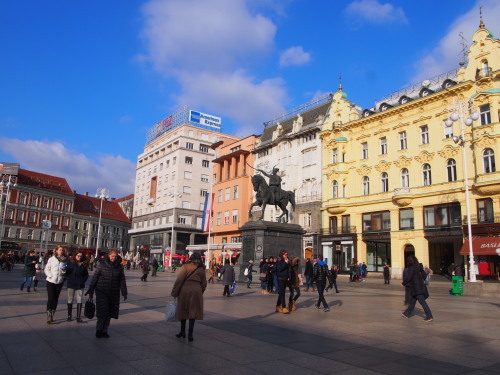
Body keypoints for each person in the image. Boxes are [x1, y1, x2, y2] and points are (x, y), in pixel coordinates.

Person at [86, 249, 128, 338]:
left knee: (109, 312)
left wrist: (124, 291)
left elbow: (122, 280)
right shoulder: (101, 264)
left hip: (114, 292)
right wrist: (91, 289)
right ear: (108, 255)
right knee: (102, 311)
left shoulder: (119, 266)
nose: (114, 258)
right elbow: (95, 277)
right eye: (112, 256)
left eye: (115, 256)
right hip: (102, 291)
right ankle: (99, 330)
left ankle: (105, 330)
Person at [171, 252, 207, 342]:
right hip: (196, 290)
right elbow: (204, 283)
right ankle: (190, 334)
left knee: (183, 310)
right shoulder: (201, 269)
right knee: (193, 312)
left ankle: (182, 332)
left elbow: (179, 280)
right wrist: (199, 291)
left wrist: (174, 293)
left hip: (185, 290)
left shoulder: (185, 267)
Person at [401, 255, 433, 322]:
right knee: (412, 302)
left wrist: (403, 283)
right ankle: (407, 313)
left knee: (423, 302)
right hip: (420, 287)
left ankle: (429, 316)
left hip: (416, 288)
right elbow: (424, 276)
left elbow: (409, 278)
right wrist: (420, 281)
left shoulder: (412, 268)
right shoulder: (419, 267)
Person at [44, 246, 68, 323]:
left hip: (59, 281)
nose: (61, 251)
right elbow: (46, 269)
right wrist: (50, 275)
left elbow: (64, 271)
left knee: (56, 298)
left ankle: (52, 314)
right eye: (60, 250)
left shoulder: (65, 260)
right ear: (56, 251)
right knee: (50, 297)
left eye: (62, 250)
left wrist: (64, 271)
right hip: (50, 281)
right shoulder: (51, 259)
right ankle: (48, 314)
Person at [65, 251, 89, 323]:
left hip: (80, 285)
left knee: (79, 300)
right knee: (70, 299)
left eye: (80, 256)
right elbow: (66, 272)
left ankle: (78, 317)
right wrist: (67, 277)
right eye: (78, 256)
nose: (79, 257)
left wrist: (82, 281)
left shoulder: (83, 264)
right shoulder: (70, 263)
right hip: (71, 284)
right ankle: (69, 316)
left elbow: (86, 275)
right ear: (75, 256)